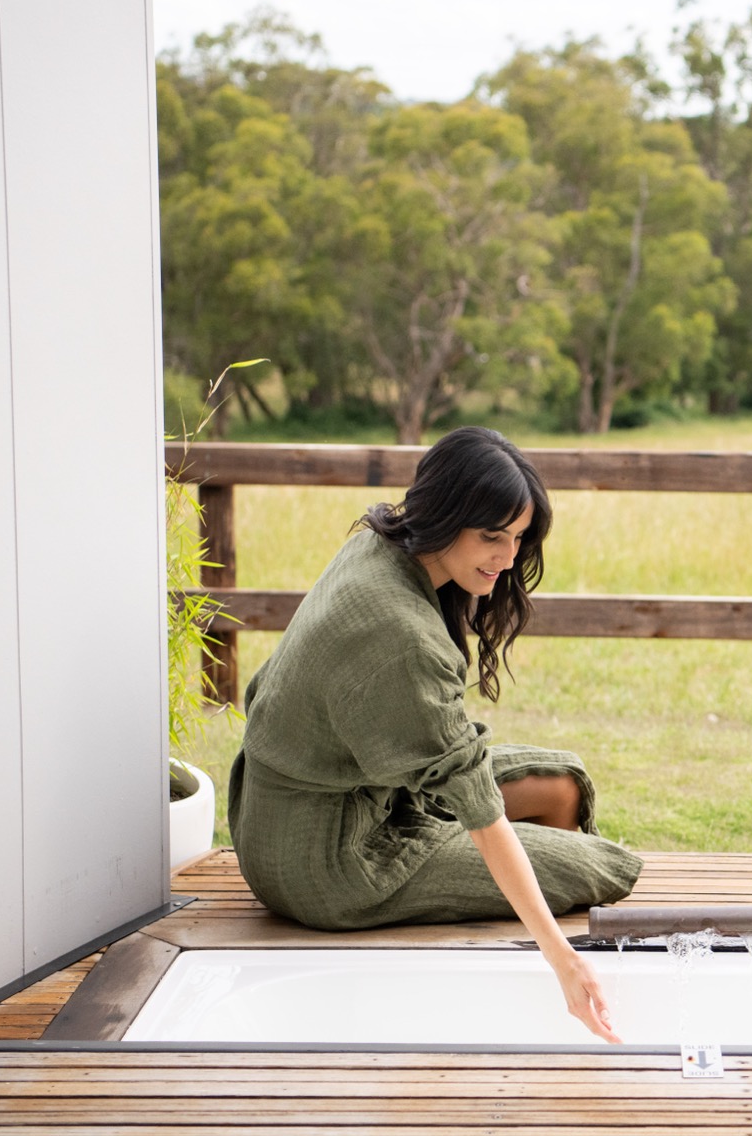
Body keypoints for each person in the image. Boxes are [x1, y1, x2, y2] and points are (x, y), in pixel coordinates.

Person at [226, 426, 642, 1042]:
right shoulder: (398, 634)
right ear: (445, 515)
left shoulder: (383, 540)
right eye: (491, 536)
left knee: (564, 788)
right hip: (327, 860)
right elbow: (476, 803)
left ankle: (492, 882)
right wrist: (563, 958)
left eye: (519, 537)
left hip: (361, 791)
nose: (507, 558)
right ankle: (502, 937)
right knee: (608, 867)